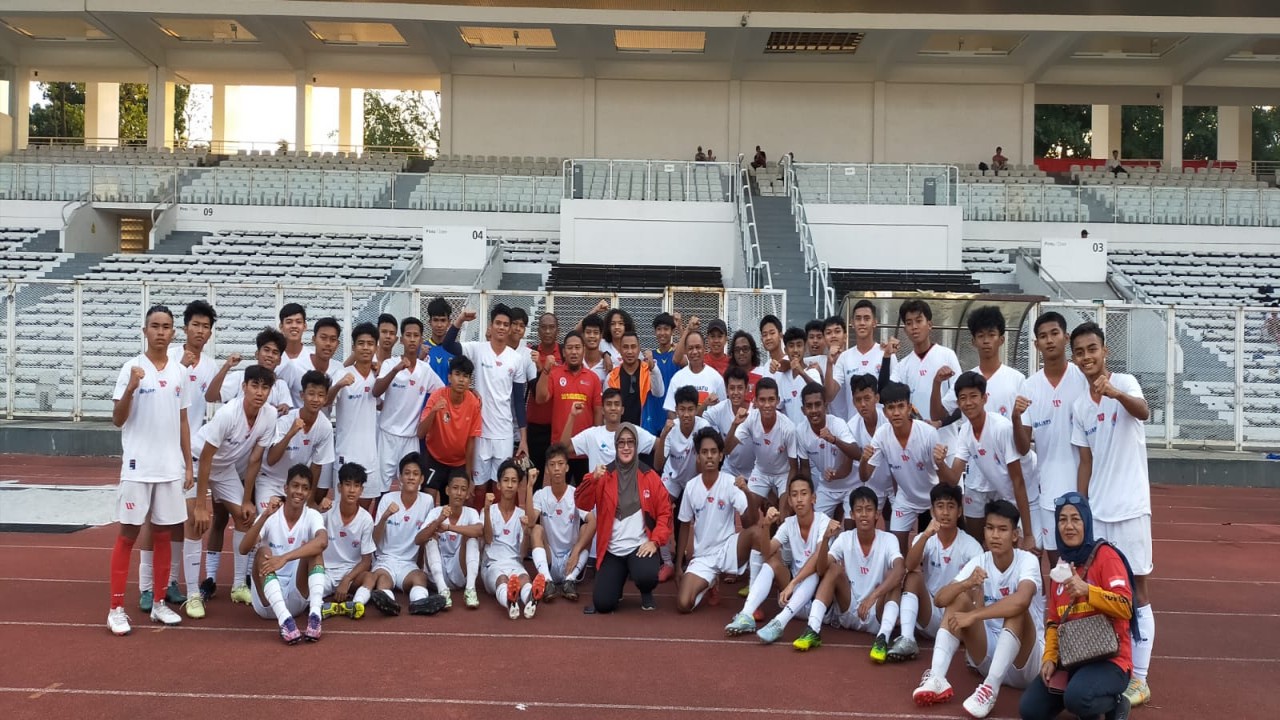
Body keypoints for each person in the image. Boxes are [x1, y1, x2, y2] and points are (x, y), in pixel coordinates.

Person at [1070, 322, 1155, 708]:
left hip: (1131, 508)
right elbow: (1084, 460)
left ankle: (1140, 678)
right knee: (1102, 594)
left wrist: (1115, 392)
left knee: (1137, 593)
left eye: (1093, 349)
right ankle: (1112, 664)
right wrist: (1081, 506)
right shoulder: (1079, 405)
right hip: (1100, 514)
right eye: (1081, 352)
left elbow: (1145, 412)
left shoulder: (1127, 382)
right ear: (1075, 358)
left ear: (1104, 351)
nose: (1087, 357)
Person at [912, 500, 1045, 719]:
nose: (995, 535)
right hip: (989, 656)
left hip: (1026, 663)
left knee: (1016, 611)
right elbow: (941, 600)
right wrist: (965, 584)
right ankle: (937, 677)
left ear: (1015, 535)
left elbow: (1021, 601)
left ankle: (989, 690)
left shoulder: (1027, 561)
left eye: (1002, 529)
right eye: (990, 528)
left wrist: (974, 615)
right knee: (957, 600)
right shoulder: (980, 561)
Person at [106, 305, 193, 635]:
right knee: (128, 534)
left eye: (166, 326)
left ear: (173, 333)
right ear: (145, 331)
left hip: (170, 467)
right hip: (138, 467)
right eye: (154, 326)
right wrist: (130, 387)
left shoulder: (178, 372)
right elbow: (117, 419)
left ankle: (159, 602)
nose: (160, 331)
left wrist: (188, 465)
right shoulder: (131, 367)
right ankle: (115, 608)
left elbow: (183, 420)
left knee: (163, 535)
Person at [1019, 492, 1137, 720]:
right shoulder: (1060, 568)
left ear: (1087, 522)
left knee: (1078, 698)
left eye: (1076, 519)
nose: (1069, 526)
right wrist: (1050, 658)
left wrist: (1087, 591)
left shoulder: (1106, 557)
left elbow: (1125, 607)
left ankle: (1116, 703)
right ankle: (1081, 693)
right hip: (1072, 656)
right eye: (1062, 520)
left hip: (1110, 659)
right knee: (1030, 710)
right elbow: (1054, 621)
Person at [138, 299, 217, 618]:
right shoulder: (168, 357)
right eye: (195, 325)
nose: (200, 331)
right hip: (154, 450)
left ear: (211, 333)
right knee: (149, 518)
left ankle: (169, 582)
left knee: (177, 519)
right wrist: (182, 366)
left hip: (187, 453)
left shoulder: (210, 364)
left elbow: (207, 402)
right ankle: (145, 586)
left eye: (206, 327)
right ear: (183, 328)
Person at [194, 364, 280, 608]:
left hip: (224, 469)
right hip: (196, 461)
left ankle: (238, 586)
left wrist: (246, 499)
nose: (260, 392)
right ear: (244, 387)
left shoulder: (270, 415)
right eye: (255, 386)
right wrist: (201, 504)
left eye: (265, 387)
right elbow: (206, 458)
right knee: (193, 522)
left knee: (245, 518)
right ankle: (192, 588)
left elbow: (254, 459)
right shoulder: (227, 414)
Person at [793, 487, 904, 660]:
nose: (864, 515)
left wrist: (873, 596)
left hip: (876, 614)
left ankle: (883, 637)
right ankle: (813, 629)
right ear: (852, 514)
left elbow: (900, 570)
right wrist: (825, 541)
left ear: (877, 514)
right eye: (859, 510)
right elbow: (821, 569)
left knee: (895, 581)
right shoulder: (844, 538)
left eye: (868, 510)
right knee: (834, 569)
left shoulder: (889, 539)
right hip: (849, 610)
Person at [1013, 312, 1089, 562]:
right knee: (1057, 563)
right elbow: (1023, 448)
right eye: (1042, 336)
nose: (1049, 340)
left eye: (1054, 333)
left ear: (1066, 337)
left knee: (1085, 559)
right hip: (1048, 490)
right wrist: (1016, 418)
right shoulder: (1029, 386)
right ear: (1036, 344)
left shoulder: (1083, 378)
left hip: (1086, 486)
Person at [575, 423, 672, 613]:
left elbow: (665, 512)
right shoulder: (603, 475)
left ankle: (646, 591)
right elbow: (582, 502)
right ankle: (616, 585)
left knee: (646, 574)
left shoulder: (649, 475)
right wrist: (592, 479)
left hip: (639, 547)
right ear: (615, 446)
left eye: (630, 443)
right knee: (603, 604)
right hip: (612, 550)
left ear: (636, 446)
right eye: (621, 443)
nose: (626, 447)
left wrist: (655, 542)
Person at [937, 372, 1040, 550]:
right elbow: (953, 478)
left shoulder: (1000, 428)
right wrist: (939, 463)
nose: (968, 402)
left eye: (973, 396)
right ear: (958, 403)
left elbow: (1018, 480)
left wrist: (1029, 534)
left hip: (1031, 495)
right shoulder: (965, 431)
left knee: (1033, 551)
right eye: (963, 398)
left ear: (985, 398)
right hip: (1010, 496)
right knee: (1003, 551)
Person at [725, 475, 834, 642]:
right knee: (772, 562)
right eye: (794, 495)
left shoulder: (823, 523)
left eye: (803, 494)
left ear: (813, 498)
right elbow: (766, 552)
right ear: (789, 501)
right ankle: (747, 614)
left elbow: (819, 562)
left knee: (813, 572)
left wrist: (792, 583)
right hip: (792, 596)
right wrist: (766, 525)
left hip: (817, 602)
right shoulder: (788, 524)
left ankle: (779, 623)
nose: (799, 499)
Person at [890, 483, 983, 662]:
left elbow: (977, 590)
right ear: (932, 512)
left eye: (951, 506)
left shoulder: (972, 547)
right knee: (913, 576)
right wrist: (925, 535)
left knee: (970, 589)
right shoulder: (927, 538)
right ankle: (908, 638)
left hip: (956, 616)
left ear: (960, 511)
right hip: (931, 610)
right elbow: (909, 565)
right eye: (940, 507)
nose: (945, 512)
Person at [443, 305, 530, 492]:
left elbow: (518, 402)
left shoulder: (516, 359)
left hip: (504, 434)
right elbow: (448, 344)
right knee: (479, 488)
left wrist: (523, 439)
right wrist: (460, 320)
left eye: (505, 324)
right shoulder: (477, 349)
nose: (501, 327)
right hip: (480, 432)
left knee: (503, 488)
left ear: (509, 328)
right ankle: (481, 521)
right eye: (498, 323)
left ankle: (498, 522)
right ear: (491, 326)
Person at [240, 465, 328, 644]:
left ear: (309, 493)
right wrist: (264, 515)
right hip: (267, 604)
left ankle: (315, 615)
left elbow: (322, 542)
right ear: (286, 488)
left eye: (304, 488)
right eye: (295, 486)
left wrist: (284, 558)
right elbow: (243, 548)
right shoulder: (271, 514)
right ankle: (285, 621)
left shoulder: (312, 515)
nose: (299, 492)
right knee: (263, 552)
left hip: (296, 597)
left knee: (315, 551)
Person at [674, 428, 759, 614]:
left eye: (713, 452)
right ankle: (710, 582)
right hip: (703, 557)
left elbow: (749, 522)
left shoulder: (730, 482)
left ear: (721, 456)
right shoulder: (691, 487)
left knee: (756, 533)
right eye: (704, 452)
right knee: (683, 604)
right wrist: (678, 565)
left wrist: (746, 492)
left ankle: (754, 597)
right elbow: (684, 526)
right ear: (698, 457)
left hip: (728, 549)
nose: (709, 456)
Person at [861, 381, 951, 555]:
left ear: (909, 408)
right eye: (891, 408)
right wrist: (864, 460)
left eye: (901, 406)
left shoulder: (928, 433)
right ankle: (903, 580)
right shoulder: (882, 434)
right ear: (884, 411)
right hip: (906, 499)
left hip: (932, 497)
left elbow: (946, 480)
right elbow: (865, 476)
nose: (896, 413)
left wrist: (940, 462)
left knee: (934, 551)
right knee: (898, 551)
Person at [361, 453, 439, 616]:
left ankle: (418, 604)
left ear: (422, 479)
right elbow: (374, 539)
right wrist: (384, 517)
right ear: (400, 477)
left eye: (415, 474)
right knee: (383, 581)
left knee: (420, 579)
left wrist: (422, 566)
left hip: (408, 563)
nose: (411, 477)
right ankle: (388, 604)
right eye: (407, 473)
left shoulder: (427, 501)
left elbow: (425, 536)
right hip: (385, 560)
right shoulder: (387, 499)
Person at [374, 317, 445, 494]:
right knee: (382, 488)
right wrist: (396, 370)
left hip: (411, 438)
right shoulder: (390, 364)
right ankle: (381, 520)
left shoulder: (425, 370)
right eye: (408, 335)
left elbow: (443, 391)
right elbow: (376, 391)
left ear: (421, 339)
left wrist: (471, 391)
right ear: (401, 339)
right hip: (388, 435)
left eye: (416, 336)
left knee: (412, 487)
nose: (412, 339)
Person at [526, 444, 595, 603]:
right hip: (550, 559)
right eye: (552, 465)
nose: (556, 468)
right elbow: (530, 522)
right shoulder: (541, 495)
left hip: (572, 559)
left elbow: (593, 521)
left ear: (567, 467)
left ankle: (570, 581)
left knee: (586, 527)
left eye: (560, 464)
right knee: (536, 529)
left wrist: (576, 550)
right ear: (547, 469)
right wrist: (529, 487)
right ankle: (547, 581)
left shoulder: (576, 494)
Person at [725, 377, 801, 520]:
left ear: (778, 401)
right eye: (762, 400)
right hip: (761, 472)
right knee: (747, 517)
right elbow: (727, 450)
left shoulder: (788, 428)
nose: (767, 405)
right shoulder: (750, 419)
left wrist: (785, 503)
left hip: (783, 474)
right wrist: (734, 425)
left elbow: (793, 467)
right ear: (755, 401)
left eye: (771, 399)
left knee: (784, 516)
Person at [261, 370, 335, 510]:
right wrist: (290, 434)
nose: (315, 399)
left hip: (297, 484)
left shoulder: (325, 427)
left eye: (320, 395)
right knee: (269, 520)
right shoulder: (285, 421)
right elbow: (271, 459)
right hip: (270, 480)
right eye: (311, 394)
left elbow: (316, 465)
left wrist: (310, 500)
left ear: (326, 399)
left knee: (301, 523)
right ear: (302, 395)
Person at [482, 461, 546, 619]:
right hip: (492, 564)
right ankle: (510, 601)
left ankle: (530, 600)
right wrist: (487, 510)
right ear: (498, 485)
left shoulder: (521, 514)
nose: (509, 485)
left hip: (515, 563)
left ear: (518, 485)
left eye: (514, 481)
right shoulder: (488, 510)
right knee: (502, 580)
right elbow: (488, 539)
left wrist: (525, 533)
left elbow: (523, 553)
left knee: (524, 578)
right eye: (506, 480)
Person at [537, 330, 603, 482]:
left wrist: (597, 443)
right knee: (557, 497)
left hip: (585, 450)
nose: (574, 352)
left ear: (584, 350)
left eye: (578, 348)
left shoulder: (593, 378)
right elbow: (541, 398)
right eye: (570, 348)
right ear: (564, 352)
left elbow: (598, 411)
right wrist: (546, 369)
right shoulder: (554, 373)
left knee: (585, 497)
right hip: (560, 450)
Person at [330, 323, 382, 508]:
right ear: (353, 347)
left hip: (370, 455)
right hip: (346, 453)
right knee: (341, 509)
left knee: (365, 510)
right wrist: (338, 385)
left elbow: (382, 404)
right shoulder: (342, 374)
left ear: (376, 347)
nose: (366, 348)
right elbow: (327, 402)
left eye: (370, 343)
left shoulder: (379, 376)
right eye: (361, 343)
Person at [418, 356, 482, 505]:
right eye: (457, 374)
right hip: (435, 458)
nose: (461, 380)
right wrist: (433, 412)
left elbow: (471, 440)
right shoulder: (437, 396)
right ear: (449, 377)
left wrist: (468, 475)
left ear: (469, 381)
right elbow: (420, 433)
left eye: (465, 376)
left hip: (458, 463)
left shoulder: (473, 403)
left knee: (459, 501)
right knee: (428, 498)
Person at [892, 299, 961, 436]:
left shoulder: (947, 355)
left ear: (929, 324)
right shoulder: (902, 365)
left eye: (919, 321)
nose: (914, 327)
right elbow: (889, 396)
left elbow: (959, 395)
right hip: (915, 441)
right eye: (909, 323)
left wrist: (940, 421)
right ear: (905, 330)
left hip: (946, 440)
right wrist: (887, 356)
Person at [318, 462, 376, 620]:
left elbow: (366, 561)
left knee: (370, 577)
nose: (351, 490)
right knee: (308, 585)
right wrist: (317, 511)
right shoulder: (327, 512)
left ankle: (355, 604)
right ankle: (319, 606)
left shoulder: (366, 519)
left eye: (356, 485)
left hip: (351, 573)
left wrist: (347, 579)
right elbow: (309, 536)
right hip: (326, 572)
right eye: (347, 484)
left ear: (361, 490)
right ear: (339, 487)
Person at [421, 470, 485, 609]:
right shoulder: (436, 512)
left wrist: (449, 527)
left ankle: (470, 589)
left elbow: (479, 530)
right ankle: (442, 590)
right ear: (447, 490)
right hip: (437, 572)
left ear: (468, 493)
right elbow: (419, 539)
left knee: (471, 537)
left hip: (459, 572)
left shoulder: (471, 513)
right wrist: (438, 522)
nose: (459, 493)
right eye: (455, 488)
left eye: (463, 489)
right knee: (430, 537)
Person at [827, 300, 896, 422]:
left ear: (875, 322)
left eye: (867, 318)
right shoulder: (844, 357)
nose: (862, 323)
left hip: (883, 428)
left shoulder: (887, 354)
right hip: (854, 429)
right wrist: (829, 363)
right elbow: (829, 395)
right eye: (858, 319)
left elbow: (895, 393)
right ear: (852, 323)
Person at [565, 388, 658, 471]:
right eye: (609, 404)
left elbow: (660, 444)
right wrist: (572, 416)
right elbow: (565, 448)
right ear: (602, 410)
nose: (613, 408)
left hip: (626, 488)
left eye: (617, 404)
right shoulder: (591, 434)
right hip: (598, 488)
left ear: (622, 410)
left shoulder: (634, 431)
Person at [206, 327, 292, 414]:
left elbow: (286, 411)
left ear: (279, 360)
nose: (270, 355)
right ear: (257, 354)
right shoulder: (240, 377)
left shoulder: (281, 385)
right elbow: (210, 397)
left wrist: (285, 408)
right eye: (266, 350)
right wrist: (227, 366)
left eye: (275, 352)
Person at [847, 374, 893, 514]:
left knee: (897, 529)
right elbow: (862, 474)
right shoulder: (851, 427)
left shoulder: (889, 419)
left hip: (896, 483)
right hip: (872, 485)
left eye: (867, 398)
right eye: (858, 400)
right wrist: (864, 459)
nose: (863, 404)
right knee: (864, 523)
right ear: (853, 402)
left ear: (877, 398)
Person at [701, 366, 756, 480]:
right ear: (726, 390)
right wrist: (705, 404)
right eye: (732, 388)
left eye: (740, 388)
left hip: (755, 471)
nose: (736, 393)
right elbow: (697, 419)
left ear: (746, 389)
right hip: (730, 469)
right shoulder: (720, 409)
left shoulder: (755, 412)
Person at [278, 317, 343, 409]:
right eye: (323, 338)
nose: (328, 343)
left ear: (337, 344)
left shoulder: (339, 368)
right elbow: (277, 388)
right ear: (314, 339)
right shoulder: (294, 366)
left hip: (323, 422)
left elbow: (328, 401)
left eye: (333, 339)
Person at [526, 312, 562, 474]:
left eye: (551, 327)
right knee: (534, 475)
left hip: (557, 426)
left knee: (558, 475)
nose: (548, 331)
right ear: (538, 330)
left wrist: (605, 353)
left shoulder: (564, 353)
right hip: (535, 427)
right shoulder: (530, 353)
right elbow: (536, 391)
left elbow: (578, 337)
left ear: (557, 330)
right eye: (544, 327)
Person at [608, 331, 666, 431]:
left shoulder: (649, 370)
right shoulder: (613, 376)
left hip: (645, 431)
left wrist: (652, 368)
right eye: (625, 347)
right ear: (620, 350)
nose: (630, 351)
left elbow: (659, 393)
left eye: (633, 347)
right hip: (620, 434)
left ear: (639, 349)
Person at [664, 329, 726, 419]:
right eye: (690, 348)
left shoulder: (716, 378)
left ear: (705, 349)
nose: (694, 352)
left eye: (698, 347)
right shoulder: (677, 378)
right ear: (685, 350)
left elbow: (723, 411)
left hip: (709, 432)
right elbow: (671, 411)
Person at [773, 327, 823, 428]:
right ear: (785, 350)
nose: (795, 350)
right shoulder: (783, 377)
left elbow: (821, 393)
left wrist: (801, 373)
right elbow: (778, 407)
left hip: (811, 436)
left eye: (799, 345)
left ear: (805, 348)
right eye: (791, 346)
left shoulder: (812, 372)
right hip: (791, 438)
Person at [644, 312, 681, 438]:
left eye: (666, 329)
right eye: (659, 329)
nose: (662, 333)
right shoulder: (649, 356)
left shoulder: (678, 356)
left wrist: (681, 326)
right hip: (654, 412)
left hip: (674, 413)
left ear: (672, 331)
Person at [423, 298, 455, 384]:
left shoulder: (456, 350)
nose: (439, 325)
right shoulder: (421, 349)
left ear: (449, 322)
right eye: (436, 320)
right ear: (430, 322)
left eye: (443, 320)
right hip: (426, 398)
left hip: (448, 398)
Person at [728, 330, 764, 401]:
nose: (741, 353)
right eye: (737, 349)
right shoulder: (730, 376)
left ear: (752, 351)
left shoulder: (763, 373)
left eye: (745, 349)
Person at [277, 302, 308, 369]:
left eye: (298, 322)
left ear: (305, 326)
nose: (294, 326)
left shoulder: (313, 358)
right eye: (289, 322)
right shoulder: (273, 357)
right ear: (281, 326)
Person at [581, 314, 610, 383]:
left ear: (601, 335)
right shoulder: (577, 361)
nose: (592, 336)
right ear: (583, 335)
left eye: (596, 333)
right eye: (588, 332)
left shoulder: (607, 365)